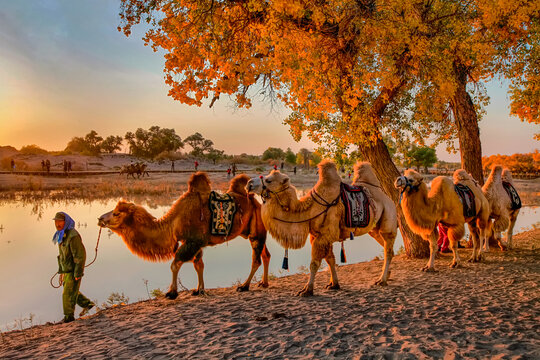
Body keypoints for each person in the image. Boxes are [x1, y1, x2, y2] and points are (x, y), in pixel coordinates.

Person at [52, 212, 94, 323]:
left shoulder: (73, 235)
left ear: (66, 222)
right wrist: (61, 272)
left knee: (67, 294)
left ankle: (68, 318)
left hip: (73, 270)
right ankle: (88, 305)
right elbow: (62, 255)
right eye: (56, 221)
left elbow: (80, 255)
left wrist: (78, 273)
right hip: (66, 270)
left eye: (60, 221)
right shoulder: (61, 235)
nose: (57, 223)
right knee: (71, 291)